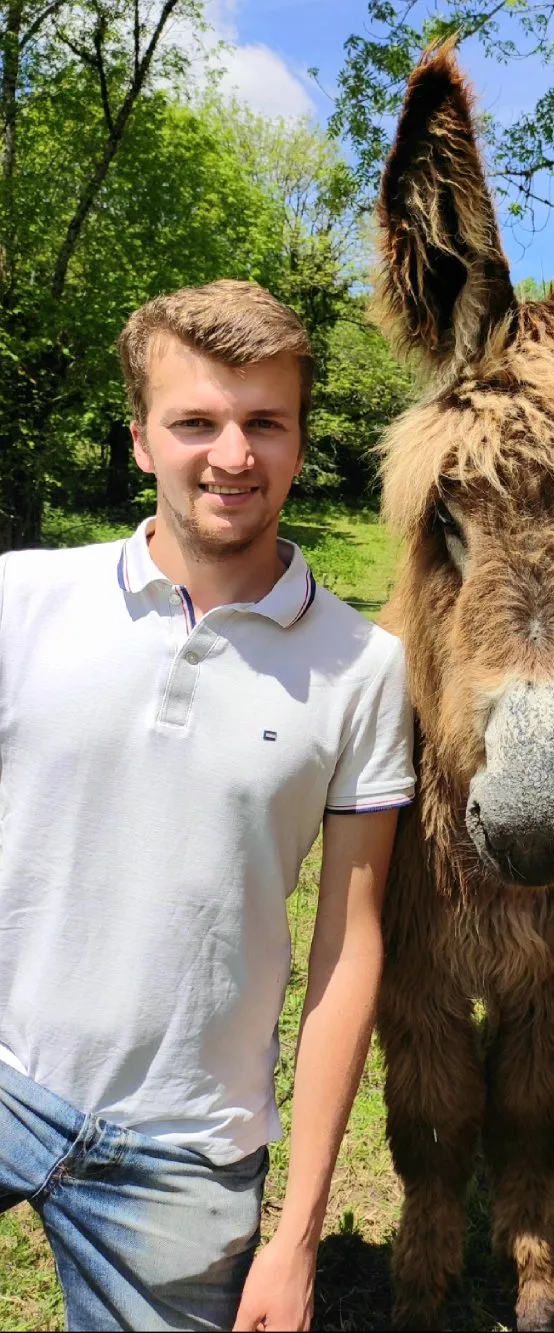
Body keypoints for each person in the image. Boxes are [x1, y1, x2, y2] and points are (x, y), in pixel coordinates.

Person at [0, 280, 415, 1332]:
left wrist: (297, 1234)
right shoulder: (19, 600)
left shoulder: (366, 668)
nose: (232, 454)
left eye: (263, 422)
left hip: (186, 1146)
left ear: (300, 441)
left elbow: (348, 948)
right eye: (196, 422)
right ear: (141, 439)